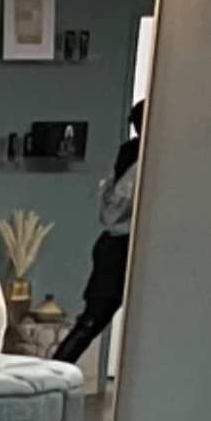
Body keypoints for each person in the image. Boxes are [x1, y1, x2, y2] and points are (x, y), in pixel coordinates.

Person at [55, 103, 139, 366]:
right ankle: (54, 373)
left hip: (120, 245)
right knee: (92, 320)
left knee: (92, 320)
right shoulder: (135, 154)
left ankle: (54, 372)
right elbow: (112, 212)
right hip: (118, 246)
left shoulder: (135, 153)